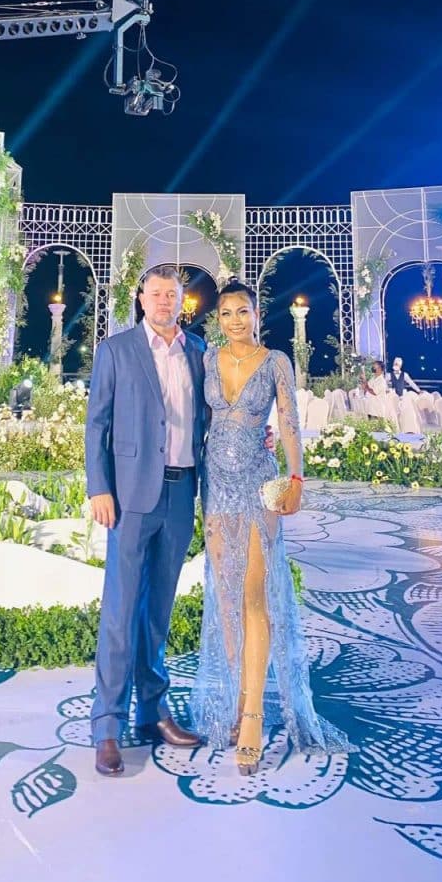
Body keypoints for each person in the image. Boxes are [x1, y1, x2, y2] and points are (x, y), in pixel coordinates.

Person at [190, 279, 352, 776]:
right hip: (216, 486)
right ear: (217, 319)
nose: (234, 321)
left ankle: (254, 716)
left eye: (243, 311)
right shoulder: (207, 360)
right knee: (225, 598)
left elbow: (288, 423)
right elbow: (197, 421)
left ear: (257, 314)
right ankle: (240, 697)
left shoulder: (276, 361)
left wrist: (296, 478)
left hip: (259, 486)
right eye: (226, 313)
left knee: (253, 597)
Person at [85, 265, 205, 776]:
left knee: (157, 612)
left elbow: (211, 419)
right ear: (140, 298)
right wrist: (99, 486)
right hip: (131, 496)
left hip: (180, 495)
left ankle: (152, 713)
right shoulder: (116, 350)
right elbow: (97, 423)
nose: (162, 301)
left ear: (181, 300)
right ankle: (107, 726)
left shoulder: (197, 352)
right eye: (154, 293)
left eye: (171, 294)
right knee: (119, 611)